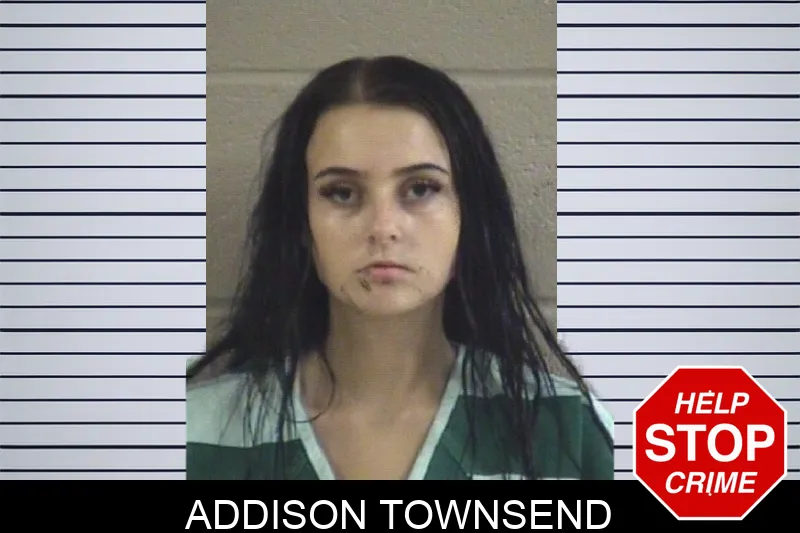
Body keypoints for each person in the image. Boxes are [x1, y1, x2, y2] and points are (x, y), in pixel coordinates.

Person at [187, 55, 614, 480]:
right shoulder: (195, 435)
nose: (383, 228)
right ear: (301, 224)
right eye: (341, 193)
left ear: (470, 214)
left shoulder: (570, 433)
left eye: (421, 188)